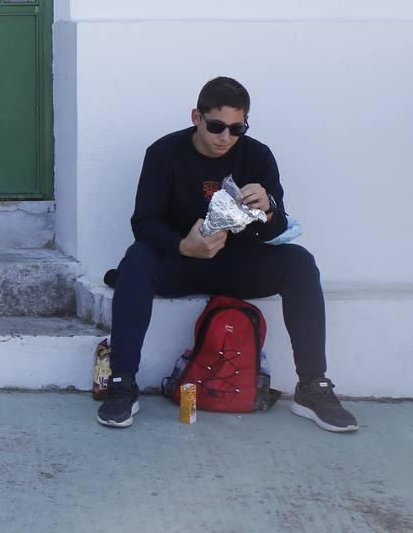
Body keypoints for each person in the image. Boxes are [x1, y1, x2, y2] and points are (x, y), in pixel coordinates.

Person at [97, 76, 358, 432]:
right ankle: (122, 382)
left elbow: (275, 231)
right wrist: (181, 245)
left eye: (237, 129)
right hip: (183, 262)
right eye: (217, 126)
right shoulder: (163, 153)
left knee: (299, 262)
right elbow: (143, 222)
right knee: (137, 258)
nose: (226, 137)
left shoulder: (257, 155)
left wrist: (269, 209)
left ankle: (313, 386)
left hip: (238, 265)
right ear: (196, 117)